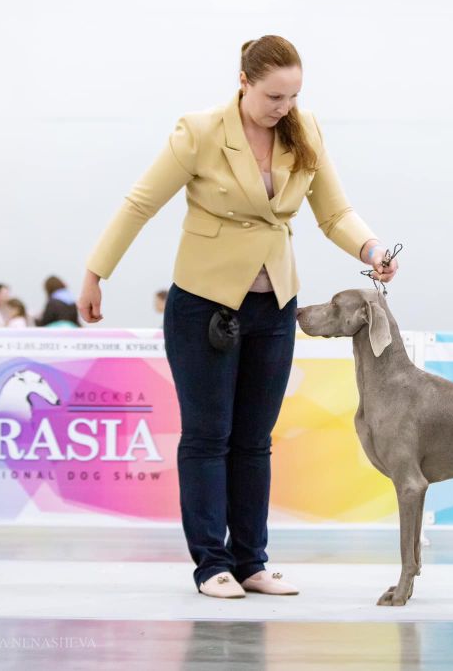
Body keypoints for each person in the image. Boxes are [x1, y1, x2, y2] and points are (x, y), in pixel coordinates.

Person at [78, 35, 399, 599]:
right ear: (244, 82)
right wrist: (95, 273)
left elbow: (335, 212)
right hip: (203, 303)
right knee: (208, 436)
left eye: (294, 95)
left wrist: (370, 248)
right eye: (275, 96)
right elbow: (139, 204)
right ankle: (211, 564)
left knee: (255, 439)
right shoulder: (199, 131)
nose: (285, 107)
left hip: (274, 304)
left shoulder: (306, 131)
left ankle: (252, 562)